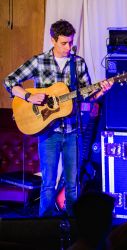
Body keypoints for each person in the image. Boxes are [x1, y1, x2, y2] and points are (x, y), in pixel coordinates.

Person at [3, 19, 113, 217]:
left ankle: (72, 228)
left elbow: (86, 95)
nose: (68, 47)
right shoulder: (39, 61)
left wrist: (101, 90)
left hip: (72, 132)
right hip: (48, 133)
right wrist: (29, 96)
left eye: (70, 42)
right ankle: (45, 230)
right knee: (48, 183)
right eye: (63, 43)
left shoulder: (77, 63)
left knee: (72, 184)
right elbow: (9, 81)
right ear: (53, 40)